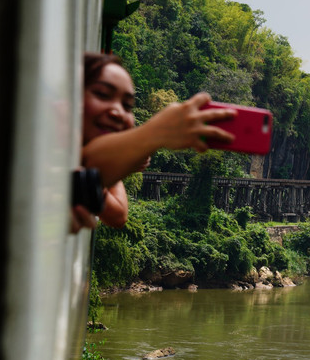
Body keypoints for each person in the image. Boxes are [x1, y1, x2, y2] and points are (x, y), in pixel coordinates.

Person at [72, 53, 236, 231]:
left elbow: (118, 214)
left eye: (127, 106)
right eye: (102, 94)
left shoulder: (82, 169)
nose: (117, 111)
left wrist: (118, 162)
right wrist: (151, 136)